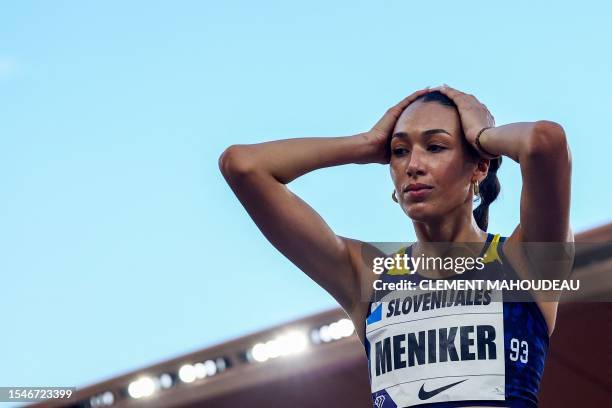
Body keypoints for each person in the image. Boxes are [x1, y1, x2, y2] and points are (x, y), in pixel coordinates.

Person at [218, 85, 574, 407]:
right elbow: (243, 166)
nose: (413, 166)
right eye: (400, 152)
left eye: (435, 147)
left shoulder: (523, 263)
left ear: (480, 166)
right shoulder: (370, 278)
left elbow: (545, 142)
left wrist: (482, 135)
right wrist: (365, 143)